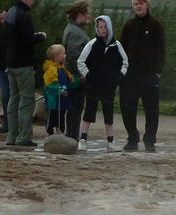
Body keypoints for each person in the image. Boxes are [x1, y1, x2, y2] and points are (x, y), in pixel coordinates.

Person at [118, 0, 163, 151]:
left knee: (151, 109)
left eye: (141, 3)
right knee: (128, 108)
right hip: (130, 74)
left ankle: (150, 140)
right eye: (136, 4)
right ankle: (132, 138)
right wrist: (121, 70)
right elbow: (121, 48)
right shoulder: (128, 25)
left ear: (147, 5)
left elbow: (161, 49)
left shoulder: (156, 25)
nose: (138, 6)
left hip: (149, 74)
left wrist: (158, 71)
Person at [76, 13, 125, 150]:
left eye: (105, 27)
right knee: (89, 112)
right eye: (100, 27)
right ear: (97, 28)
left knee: (108, 114)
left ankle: (110, 142)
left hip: (109, 87)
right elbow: (80, 61)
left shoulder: (117, 45)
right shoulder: (91, 44)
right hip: (93, 85)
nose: (102, 29)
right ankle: (83, 140)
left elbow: (125, 63)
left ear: (109, 27)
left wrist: (119, 76)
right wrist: (88, 75)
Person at [0, 0, 43, 147]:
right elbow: (27, 40)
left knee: (13, 99)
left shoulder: (10, 12)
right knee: (27, 100)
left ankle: (11, 136)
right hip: (23, 63)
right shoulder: (23, 15)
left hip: (11, 62)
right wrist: (41, 36)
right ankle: (24, 136)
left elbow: (9, 38)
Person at [61, 1, 89, 139]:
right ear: (80, 14)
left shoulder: (71, 28)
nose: (88, 17)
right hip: (76, 76)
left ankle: (71, 134)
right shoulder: (76, 32)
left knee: (73, 108)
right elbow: (73, 56)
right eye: (86, 14)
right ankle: (72, 136)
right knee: (76, 108)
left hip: (72, 75)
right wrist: (80, 74)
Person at [41, 42, 74, 136]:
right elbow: (51, 85)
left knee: (61, 116)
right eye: (63, 54)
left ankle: (60, 133)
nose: (65, 55)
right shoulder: (51, 70)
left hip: (63, 100)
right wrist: (61, 89)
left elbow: (70, 79)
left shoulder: (62, 68)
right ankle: (49, 132)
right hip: (54, 100)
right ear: (56, 57)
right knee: (53, 117)